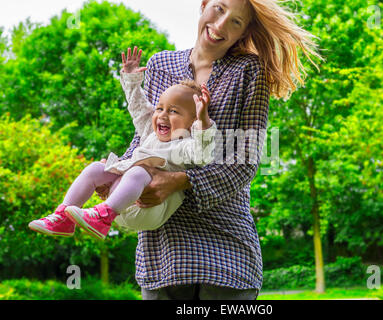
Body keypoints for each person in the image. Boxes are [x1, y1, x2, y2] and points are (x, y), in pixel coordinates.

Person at [102, 0, 323, 300]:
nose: (220, 26)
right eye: (219, 9)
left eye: (236, 22)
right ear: (204, 4)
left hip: (225, 252)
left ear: (245, 31)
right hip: (161, 252)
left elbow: (246, 161)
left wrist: (181, 181)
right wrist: (117, 178)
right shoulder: (159, 65)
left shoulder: (248, 71)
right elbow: (144, 140)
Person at [28, 47, 217, 240]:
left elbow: (203, 154)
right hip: (123, 200)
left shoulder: (184, 145)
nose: (162, 115)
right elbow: (138, 108)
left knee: (139, 171)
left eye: (173, 111)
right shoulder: (150, 132)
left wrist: (203, 121)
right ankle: (63, 217)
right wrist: (131, 80)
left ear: (192, 121)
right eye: (160, 108)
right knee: (96, 168)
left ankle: (103, 216)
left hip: (149, 208)